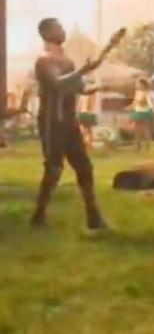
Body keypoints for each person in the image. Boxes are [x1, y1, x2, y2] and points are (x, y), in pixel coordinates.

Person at [30, 18, 106, 229]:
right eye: (58, 27)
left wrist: (97, 86)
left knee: (84, 167)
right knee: (54, 168)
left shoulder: (68, 61)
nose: (62, 31)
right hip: (51, 122)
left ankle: (93, 215)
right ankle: (39, 215)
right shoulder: (43, 60)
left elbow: (78, 88)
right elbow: (56, 85)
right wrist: (83, 71)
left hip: (69, 121)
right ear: (46, 33)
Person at [130, 78, 154, 151]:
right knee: (141, 130)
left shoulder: (144, 93)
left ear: (142, 85)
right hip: (141, 111)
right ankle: (140, 146)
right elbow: (136, 102)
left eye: (138, 83)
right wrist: (132, 106)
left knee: (141, 130)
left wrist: (133, 105)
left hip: (142, 112)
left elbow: (146, 102)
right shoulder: (140, 92)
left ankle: (141, 146)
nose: (136, 85)